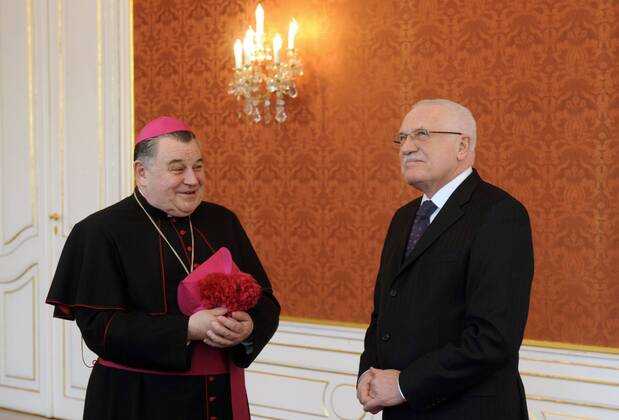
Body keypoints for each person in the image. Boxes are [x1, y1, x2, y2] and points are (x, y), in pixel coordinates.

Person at [46, 116, 280, 420]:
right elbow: (99, 328)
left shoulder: (223, 221)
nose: (193, 179)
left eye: (198, 166)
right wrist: (186, 329)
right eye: (177, 169)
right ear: (141, 172)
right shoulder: (98, 231)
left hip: (218, 397)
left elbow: (265, 301)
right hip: (137, 400)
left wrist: (248, 328)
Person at [357, 99, 534, 419]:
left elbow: (493, 337)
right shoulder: (403, 218)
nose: (407, 147)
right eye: (402, 138)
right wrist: (369, 372)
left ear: (462, 146)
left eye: (422, 134)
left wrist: (403, 385)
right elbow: (383, 314)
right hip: (401, 409)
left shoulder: (500, 214)